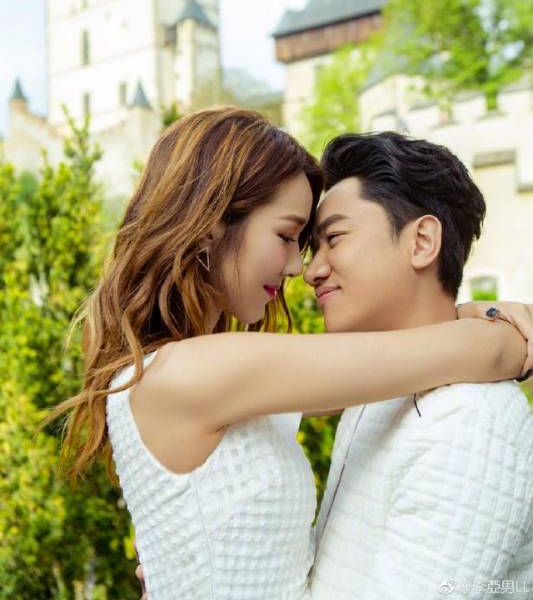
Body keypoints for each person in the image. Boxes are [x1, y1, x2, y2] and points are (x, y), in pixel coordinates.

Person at [46, 107, 532, 600]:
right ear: (211, 224)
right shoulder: (194, 372)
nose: (301, 269)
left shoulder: (205, 375)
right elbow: (475, 352)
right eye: (286, 236)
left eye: (322, 240)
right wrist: (507, 332)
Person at [302, 131, 533, 599]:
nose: (312, 271)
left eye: (334, 239)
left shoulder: (473, 416)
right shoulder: (376, 393)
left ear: (423, 241)